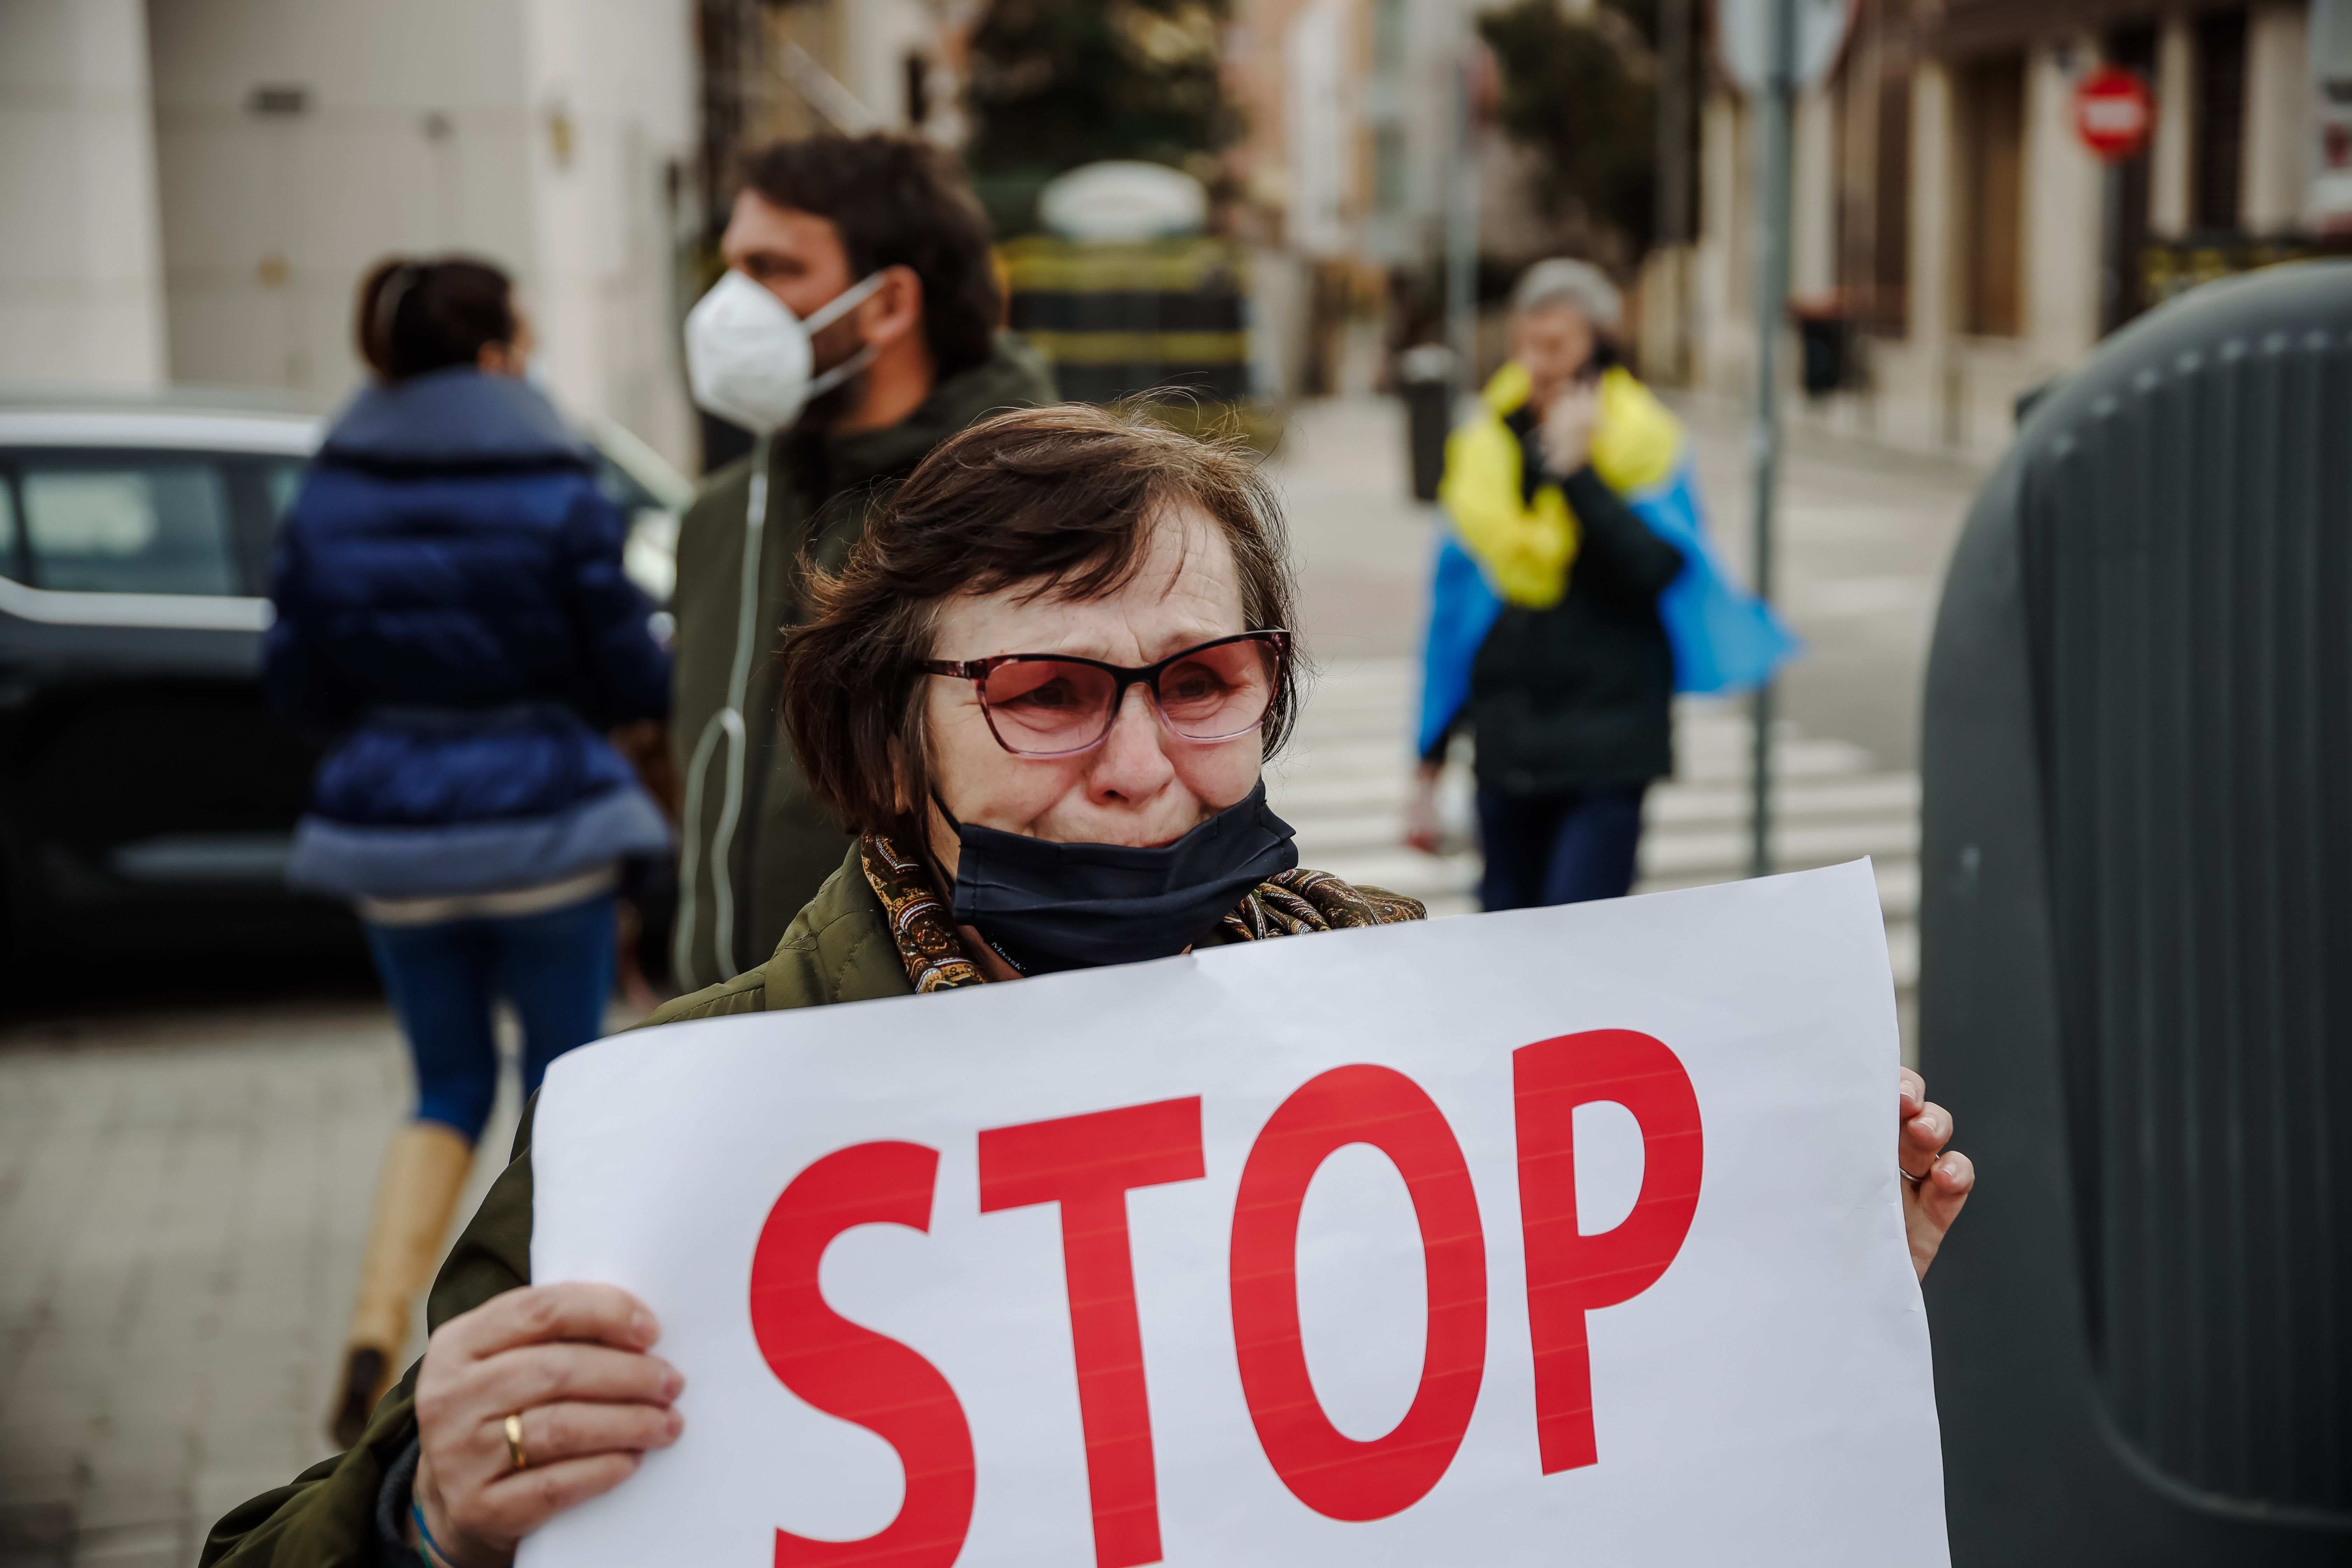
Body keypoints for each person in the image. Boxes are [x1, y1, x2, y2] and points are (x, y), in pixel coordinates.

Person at [205, 407, 1973, 1568]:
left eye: (1201, 677)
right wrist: (419, 1517)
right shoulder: (683, 1127)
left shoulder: (1445, 1035)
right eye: (1048, 694)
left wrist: (1789, 1290)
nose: (1138, 767)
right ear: (892, 741)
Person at [267, 255, 673, 1448]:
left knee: (444, 1087)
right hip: (550, 826)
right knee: (566, 1085)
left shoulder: (329, 486)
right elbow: (627, 671)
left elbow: (295, 680)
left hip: (392, 841)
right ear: (502, 351)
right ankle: (557, 1340)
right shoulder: (556, 476)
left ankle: (374, 1329)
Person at [667, 132, 1057, 995]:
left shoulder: (1033, 506)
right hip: (729, 1030)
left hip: (928, 1042)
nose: (732, 305)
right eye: (730, 266)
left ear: (888, 305)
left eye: (774, 269)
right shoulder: (722, 513)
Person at [1407, 259, 1794, 908]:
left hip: (1606, 754)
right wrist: (1427, 759)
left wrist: (1580, 473)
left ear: (1600, 345)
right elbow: (1453, 617)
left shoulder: (1645, 443)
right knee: (1507, 956)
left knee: (1584, 954)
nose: (1539, 364)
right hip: (1507, 753)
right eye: (1527, 345)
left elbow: (1655, 570)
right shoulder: (1487, 445)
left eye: (1557, 346)